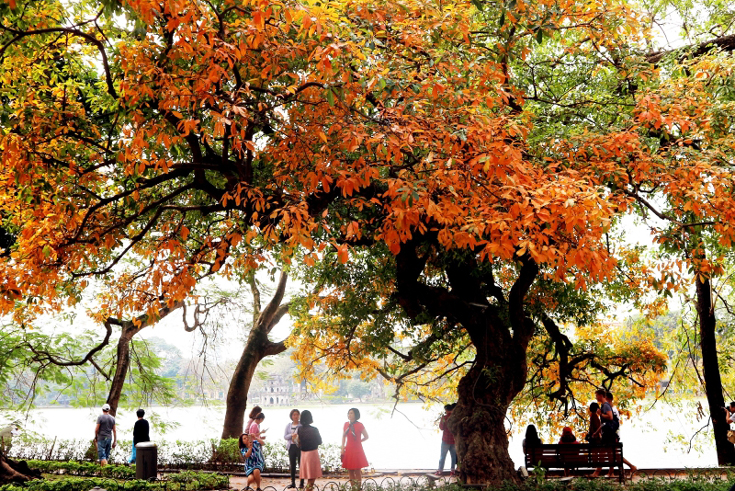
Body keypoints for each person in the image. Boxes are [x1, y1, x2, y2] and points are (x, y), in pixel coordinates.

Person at [607, 392, 637, 473]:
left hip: (614, 435)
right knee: (614, 454)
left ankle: (631, 467)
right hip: (614, 435)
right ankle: (615, 472)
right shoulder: (612, 409)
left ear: (609, 400)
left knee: (615, 454)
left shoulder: (612, 410)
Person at [341, 407, 369, 489]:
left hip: (357, 449)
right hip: (349, 448)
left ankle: (359, 487)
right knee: (350, 470)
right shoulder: (346, 424)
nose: (349, 415)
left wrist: (359, 441)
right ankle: (353, 487)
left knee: (357, 469)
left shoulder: (360, 425)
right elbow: (343, 437)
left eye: (351, 413)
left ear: (356, 415)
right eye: (348, 413)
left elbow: (366, 436)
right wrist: (342, 448)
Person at [298, 410, 323, 491]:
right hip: (312, 454)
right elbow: (319, 441)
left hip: (304, 454)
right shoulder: (314, 429)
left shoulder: (300, 429)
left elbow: (299, 442)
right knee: (311, 479)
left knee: (309, 478)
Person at [285, 409, 304, 489]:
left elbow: (304, 436)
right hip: (291, 447)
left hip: (299, 447)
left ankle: (301, 483)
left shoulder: (301, 425)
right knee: (292, 465)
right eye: (294, 415)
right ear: (291, 416)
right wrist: (291, 435)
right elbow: (285, 436)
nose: (296, 416)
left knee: (301, 465)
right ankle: (293, 482)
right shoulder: (288, 425)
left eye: (297, 414)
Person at [436, 403, 457, 477]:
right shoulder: (455, 418)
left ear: (447, 410)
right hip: (453, 440)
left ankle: (440, 471)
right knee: (453, 456)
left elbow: (441, 428)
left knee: (442, 456)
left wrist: (442, 421)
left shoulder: (444, 418)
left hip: (445, 440)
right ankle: (453, 471)